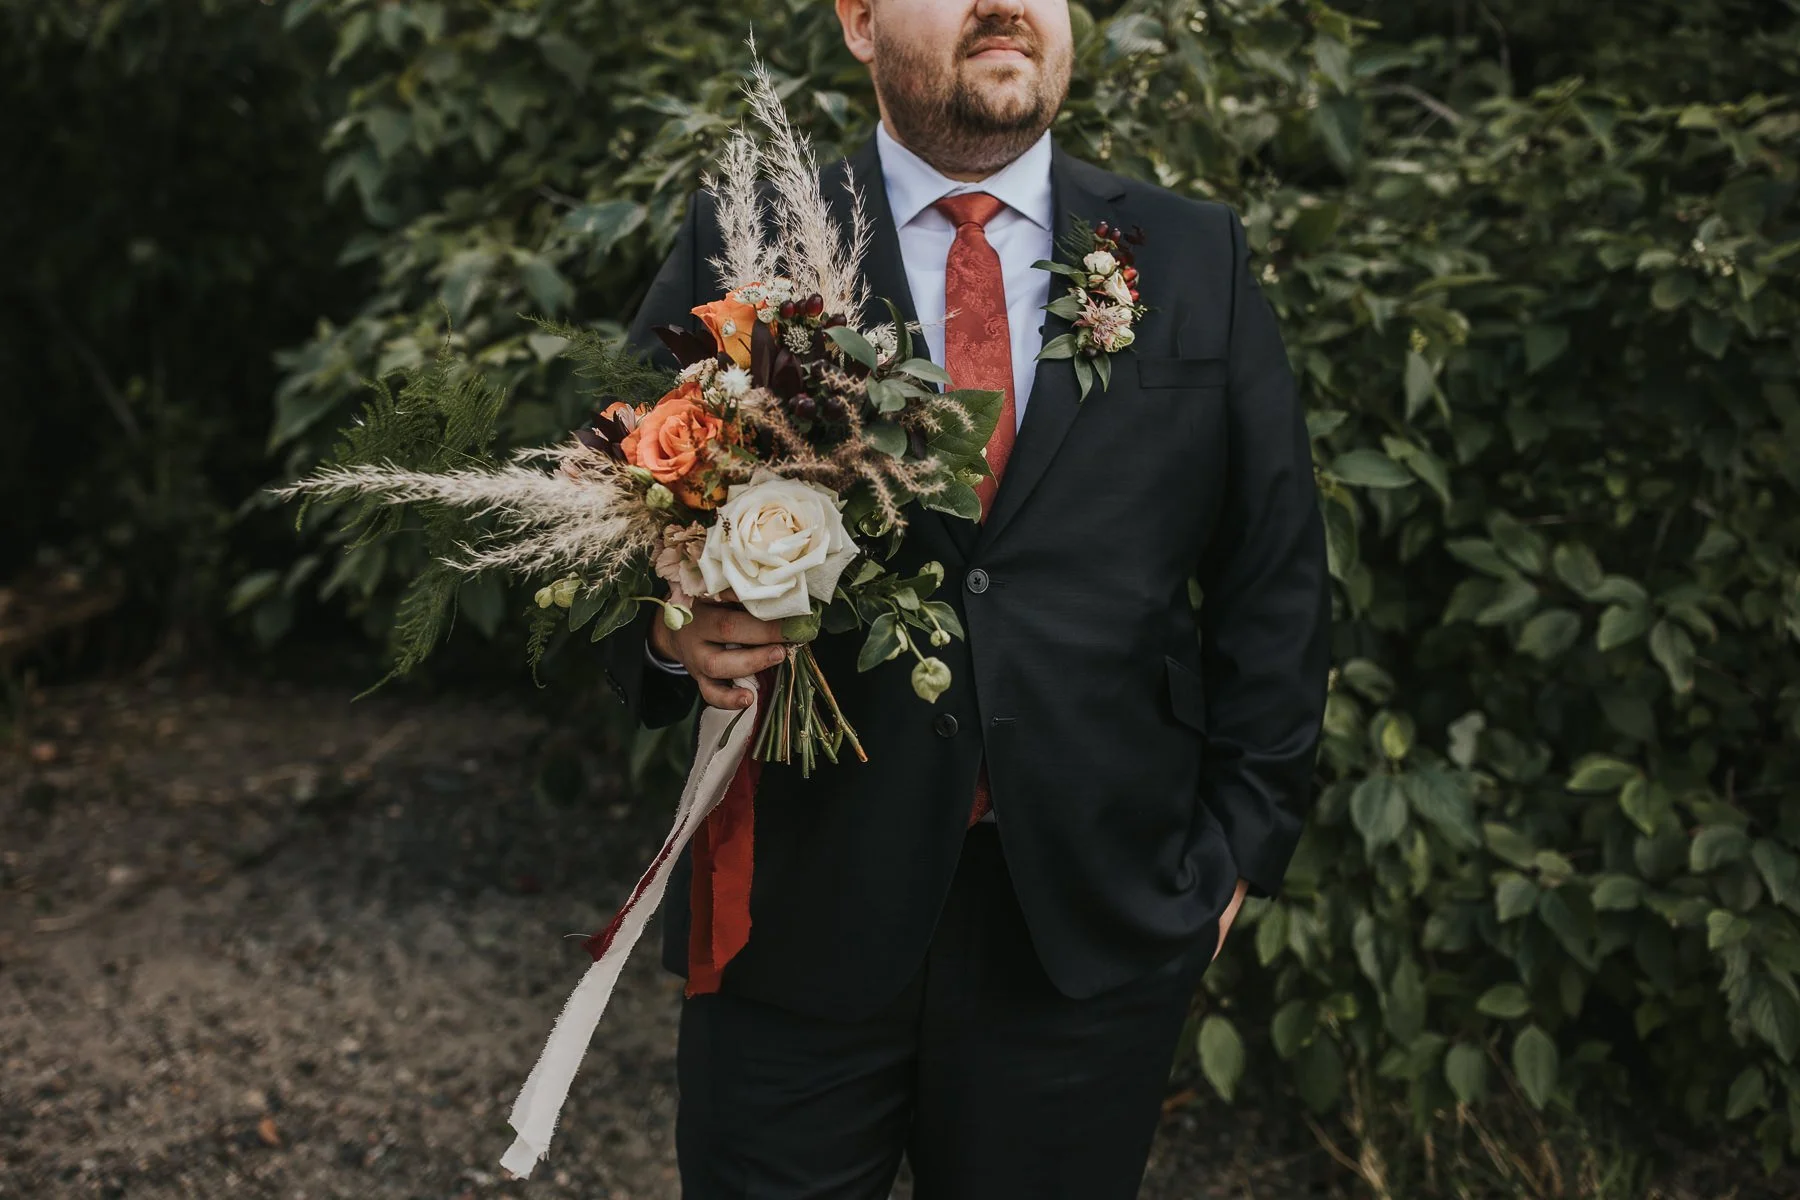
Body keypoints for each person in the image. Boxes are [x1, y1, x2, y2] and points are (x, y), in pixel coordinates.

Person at [598, 0, 1333, 1194]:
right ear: (859, 19)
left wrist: (1236, 853)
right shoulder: (748, 239)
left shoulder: (1196, 253)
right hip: (800, 913)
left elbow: (1275, 577)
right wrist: (671, 631)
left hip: (1090, 921)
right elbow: (612, 516)